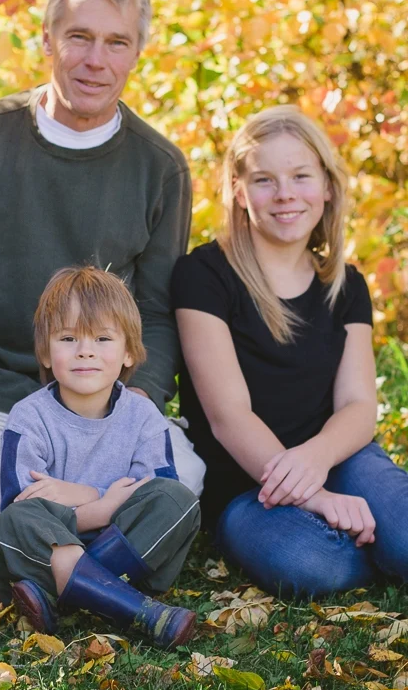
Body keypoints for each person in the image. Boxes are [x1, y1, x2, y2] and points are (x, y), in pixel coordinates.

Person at [0, 0, 202, 583]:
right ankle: (98, 566)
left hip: (103, 401)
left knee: (181, 482)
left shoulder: (159, 167)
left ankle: (61, 566)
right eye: (79, 37)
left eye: (116, 42)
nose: (95, 60)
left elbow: (156, 311)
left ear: (137, 53)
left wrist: (134, 403)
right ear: (48, 39)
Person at [172, 106, 408, 596]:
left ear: (327, 186)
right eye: (264, 180)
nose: (285, 194)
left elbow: (358, 405)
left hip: (339, 456)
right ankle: (374, 543)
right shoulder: (203, 275)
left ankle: (385, 536)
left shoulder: (346, 285)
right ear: (238, 191)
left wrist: (317, 459)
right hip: (248, 485)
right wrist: (314, 495)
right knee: (313, 563)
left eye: (301, 176)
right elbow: (229, 417)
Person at [0, 266, 199, 648]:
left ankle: (64, 596)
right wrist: (101, 506)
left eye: (102, 338)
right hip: (48, 550)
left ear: (129, 352)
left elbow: (154, 491)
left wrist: (84, 495)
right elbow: (22, 505)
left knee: (177, 500)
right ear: (45, 352)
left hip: (129, 549)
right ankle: (139, 611)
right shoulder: (29, 417)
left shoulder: (143, 416)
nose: (85, 350)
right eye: (68, 338)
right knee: (15, 521)